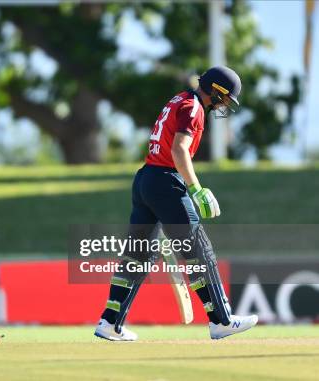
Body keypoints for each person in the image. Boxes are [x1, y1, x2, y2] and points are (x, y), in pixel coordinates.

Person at [94, 66, 258, 341]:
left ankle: (110, 322)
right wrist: (196, 188)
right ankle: (222, 319)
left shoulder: (178, 99)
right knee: (198, 248)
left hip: (146, 178)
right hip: (166, 181)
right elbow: (179, 149)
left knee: (138, 255)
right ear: (216, 90)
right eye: (225, 97)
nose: (224, 104)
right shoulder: (193, 108)